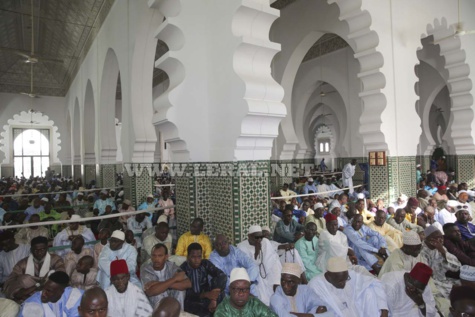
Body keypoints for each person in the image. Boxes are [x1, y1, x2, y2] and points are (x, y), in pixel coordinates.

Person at [308, 257, 389, 317]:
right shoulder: (315, 286)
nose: (344, 284)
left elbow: (376, 283)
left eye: (346, 279)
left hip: (356, 312)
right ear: (329, 275)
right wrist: (317, 313)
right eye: (340, 281)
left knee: (369, 290)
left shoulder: (349, 275)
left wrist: (383, 309)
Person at [3, 236, 65, 302]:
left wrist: (41, 284)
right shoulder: (23, 263)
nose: (39, 252)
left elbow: (61, 275)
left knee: (54, 274)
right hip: (27, 292)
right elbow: (10, 280)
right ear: (31, 250)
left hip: (47, 291)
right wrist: (18, 291)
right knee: (24, 279)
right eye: (36, 250)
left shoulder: (56, 259)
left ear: (47, 249)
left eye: (42, 249)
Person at [237, 225, 282, 306]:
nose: (259, 240)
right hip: (254, 276)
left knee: (276, 265)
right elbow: (251, 267)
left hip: (266, 271)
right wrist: (257, 251)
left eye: (261, 237)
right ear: (249, 236)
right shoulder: (241, 247)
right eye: (256, 237)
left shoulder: (265, 242)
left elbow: (271, 259)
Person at [180, 243, 227, 316]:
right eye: (193, 257)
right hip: (193, 301)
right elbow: (187, 294)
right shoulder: (182, 269)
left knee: (221, 293)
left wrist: (213, 296)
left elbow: (221, 275)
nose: (196, 260)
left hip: (208, 298)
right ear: (188, 257)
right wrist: (205, 295)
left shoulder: (205, 264)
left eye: (199, 257)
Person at [141, 243, 191, 309]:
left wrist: (158, 283)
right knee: (157, 293)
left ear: (166, 257)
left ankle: (178, 314)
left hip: (171, 300)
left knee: (180, 291)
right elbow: (150, 292)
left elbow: (188, 283)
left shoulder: (172, 266)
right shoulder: (146, 269)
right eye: (154, 255)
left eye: (160, 256)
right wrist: (174, 279)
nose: (156, 259)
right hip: (154, 307)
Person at [420, 225, 461, 298]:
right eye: (436, 238)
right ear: (427, 239)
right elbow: (427, 276)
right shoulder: (421, 251)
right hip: (432, 283)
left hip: (443, 280)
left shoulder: (441, 248)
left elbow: (457, 267)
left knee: (466, 286)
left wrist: (443, 252)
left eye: (441, 237)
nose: (440, 240)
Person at [19, 271, 83, 317]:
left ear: (61, 291)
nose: (43, 293)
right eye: (43, 288)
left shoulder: (74, 296)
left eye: (48, 291)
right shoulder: (33, 303)